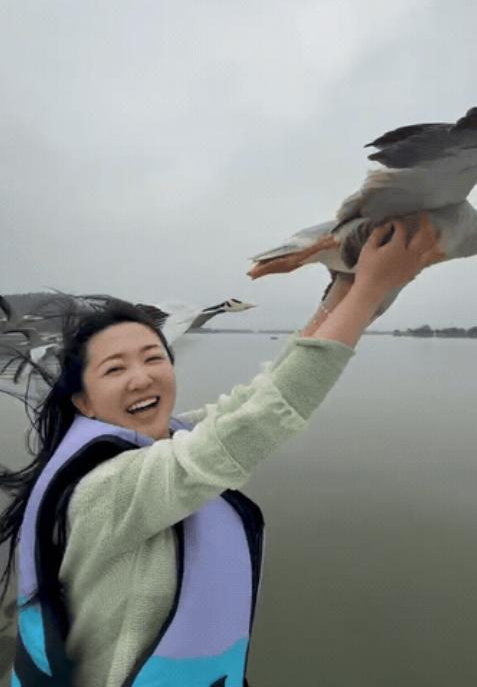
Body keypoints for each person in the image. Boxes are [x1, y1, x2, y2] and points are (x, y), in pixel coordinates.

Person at [0, 215, 442, 687]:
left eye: (154, 358)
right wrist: (370, 292)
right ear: (82, 401)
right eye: (114, 369)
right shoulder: (107, 487)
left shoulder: (161, 439)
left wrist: (342, 292)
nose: (142, 377)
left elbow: (256, 398)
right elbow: (261, 421)